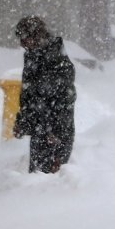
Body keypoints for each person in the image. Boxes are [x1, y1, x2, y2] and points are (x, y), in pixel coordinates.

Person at [13, 16, 76, 174]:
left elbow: (65, 100)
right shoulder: (32, 56)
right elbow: (28, 95)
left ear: (37, 36)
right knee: (36, 178)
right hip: (40, 130)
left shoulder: (57, 60)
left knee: (50, 185)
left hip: (55, 133)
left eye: (24, 39)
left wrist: (57, 134)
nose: (22, 44)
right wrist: (23, 121)